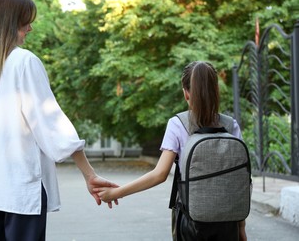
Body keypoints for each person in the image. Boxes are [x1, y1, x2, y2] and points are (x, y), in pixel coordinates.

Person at [0, 0, 117, 241]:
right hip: (20, 188)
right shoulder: (24, 62)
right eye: (24, 21)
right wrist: (90, 174)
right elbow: (53, 127)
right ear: (7, 22)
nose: (29, 28)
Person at [95, 61, 247, 241]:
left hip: (191, 221)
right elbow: (243, 180)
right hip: (228, 221)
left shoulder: (178, 124)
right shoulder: (231, 125)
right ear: (216, 91)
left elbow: (159, 174)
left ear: (186, 93)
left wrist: (116, 193)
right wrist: (241, 226)